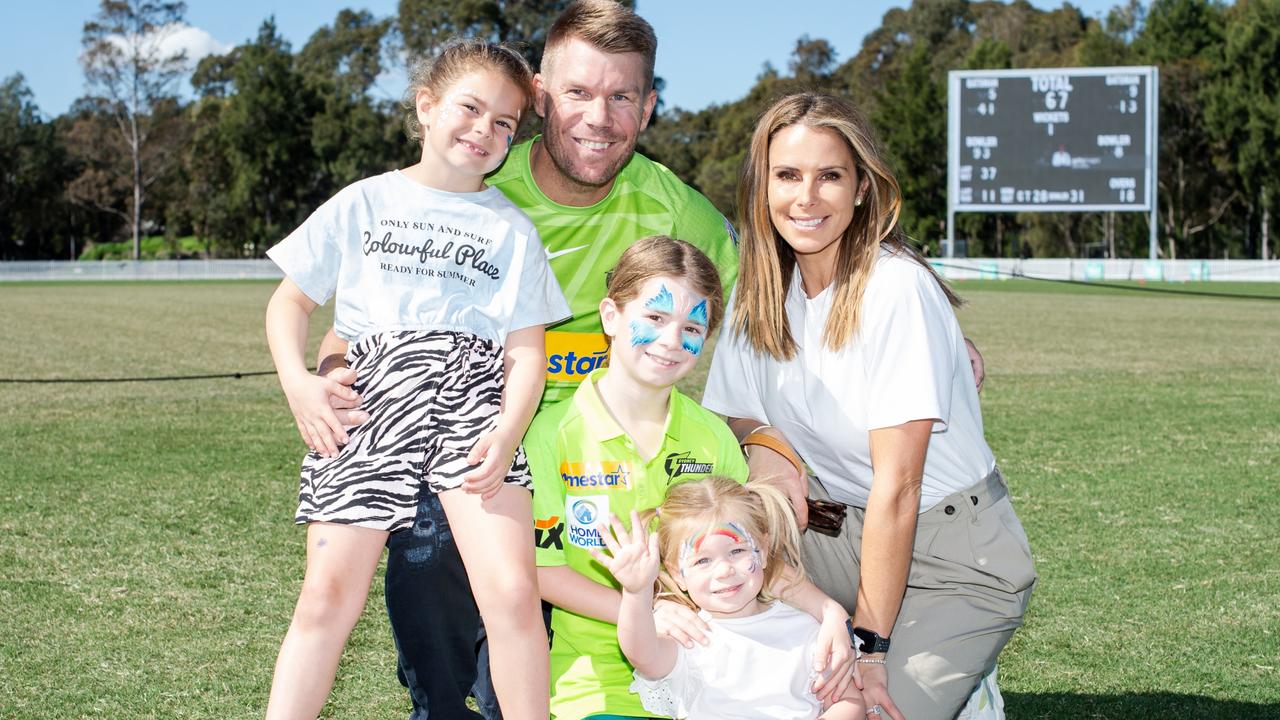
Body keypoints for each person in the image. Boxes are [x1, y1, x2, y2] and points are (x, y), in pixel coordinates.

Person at [316, 3, 740, 718]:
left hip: (606, 472)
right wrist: (332, 375)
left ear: (650, 105)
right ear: (541, 93)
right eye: (577, 92)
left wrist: (931, 316)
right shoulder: (471, 187)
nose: (598, 117)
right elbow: (354, 331)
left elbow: (779, 300)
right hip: (482, 462)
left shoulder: (682, 214)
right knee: (429, 543)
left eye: (621, 96)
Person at [702, 92, 1036, 720]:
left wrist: (872, 644)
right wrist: (771, 451)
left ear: (861, 188)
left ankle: (959, 675)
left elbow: (899, 487)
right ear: (763, 186)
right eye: (788, 175)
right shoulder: (761, 290)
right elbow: (735, 411)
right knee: (713, 581)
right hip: (834, 534)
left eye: (830, 175)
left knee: (859, 708)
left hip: (953, 552)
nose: (807, 196)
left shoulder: (896, 288)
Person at [262, 39, 568, 720]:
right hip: (370, 407)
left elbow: (526, 352)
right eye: (470, 108)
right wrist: (299, 384)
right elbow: (290, 302)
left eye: (504, 125)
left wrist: (507, 429)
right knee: (324, 601)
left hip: (472, 410)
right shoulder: (363, 202)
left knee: (514, 595)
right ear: (426, 107)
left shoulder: (513, 231)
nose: (483, 131)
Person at [525, 236, 852, 720]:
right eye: (655, 318)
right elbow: (539, 570)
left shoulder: (712, 438)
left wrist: (828, 611)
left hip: (717, 685)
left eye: (692, 326)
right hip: (602, 685)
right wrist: (644, 608)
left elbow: (751, 553)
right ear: (610, 316)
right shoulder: (550, 435)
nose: (672, 341)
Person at [595, 476, 866, 720]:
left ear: (762, 548)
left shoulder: (808, 631)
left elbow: (850, 700)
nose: (724, 570)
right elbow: (642, 654)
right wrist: (637, 592)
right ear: (678, 574)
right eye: (703, 560)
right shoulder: (689, 637)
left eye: (736, 551)